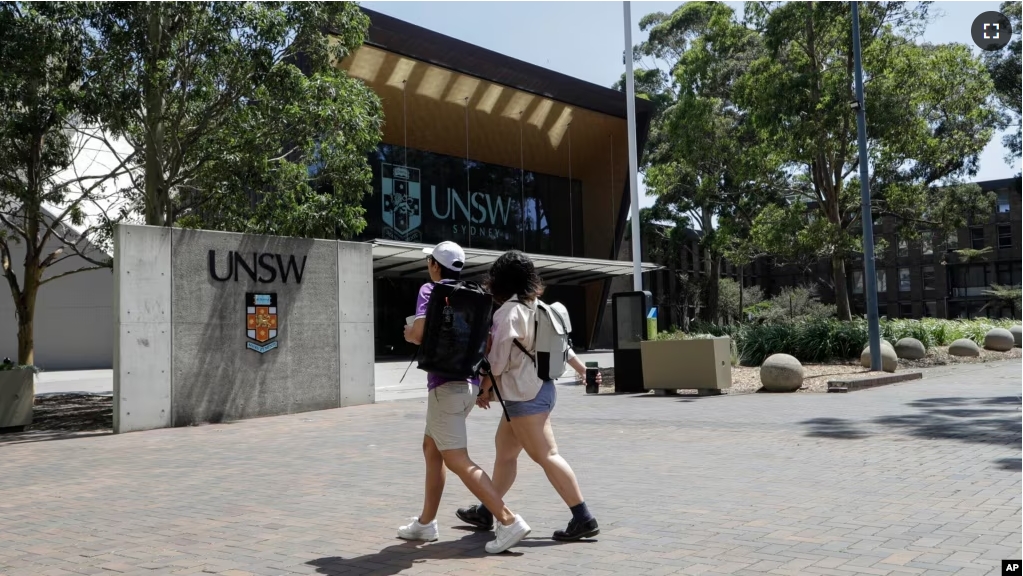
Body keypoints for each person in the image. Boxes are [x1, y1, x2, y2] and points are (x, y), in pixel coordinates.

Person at [399, 241, 531, 554]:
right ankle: (426, 523)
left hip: (445, 387)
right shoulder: (475, 297)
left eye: (429, 261)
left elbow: (417, 334)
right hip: (469, 386)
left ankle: (508, 520)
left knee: (457, 458)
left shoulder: (430, 290)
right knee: (432, 448)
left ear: (434, 265)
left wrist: (408, 333)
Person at [458, 250, 600, 541]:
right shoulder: (540, 306)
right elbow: (563, 348)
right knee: (506, 453)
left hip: (524, 397)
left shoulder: (508, 312)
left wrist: (483, 389)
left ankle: (583, 517)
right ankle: (488, 510)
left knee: (547, 455)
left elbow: (496, 362)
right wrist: (583, 370)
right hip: (541, 390)